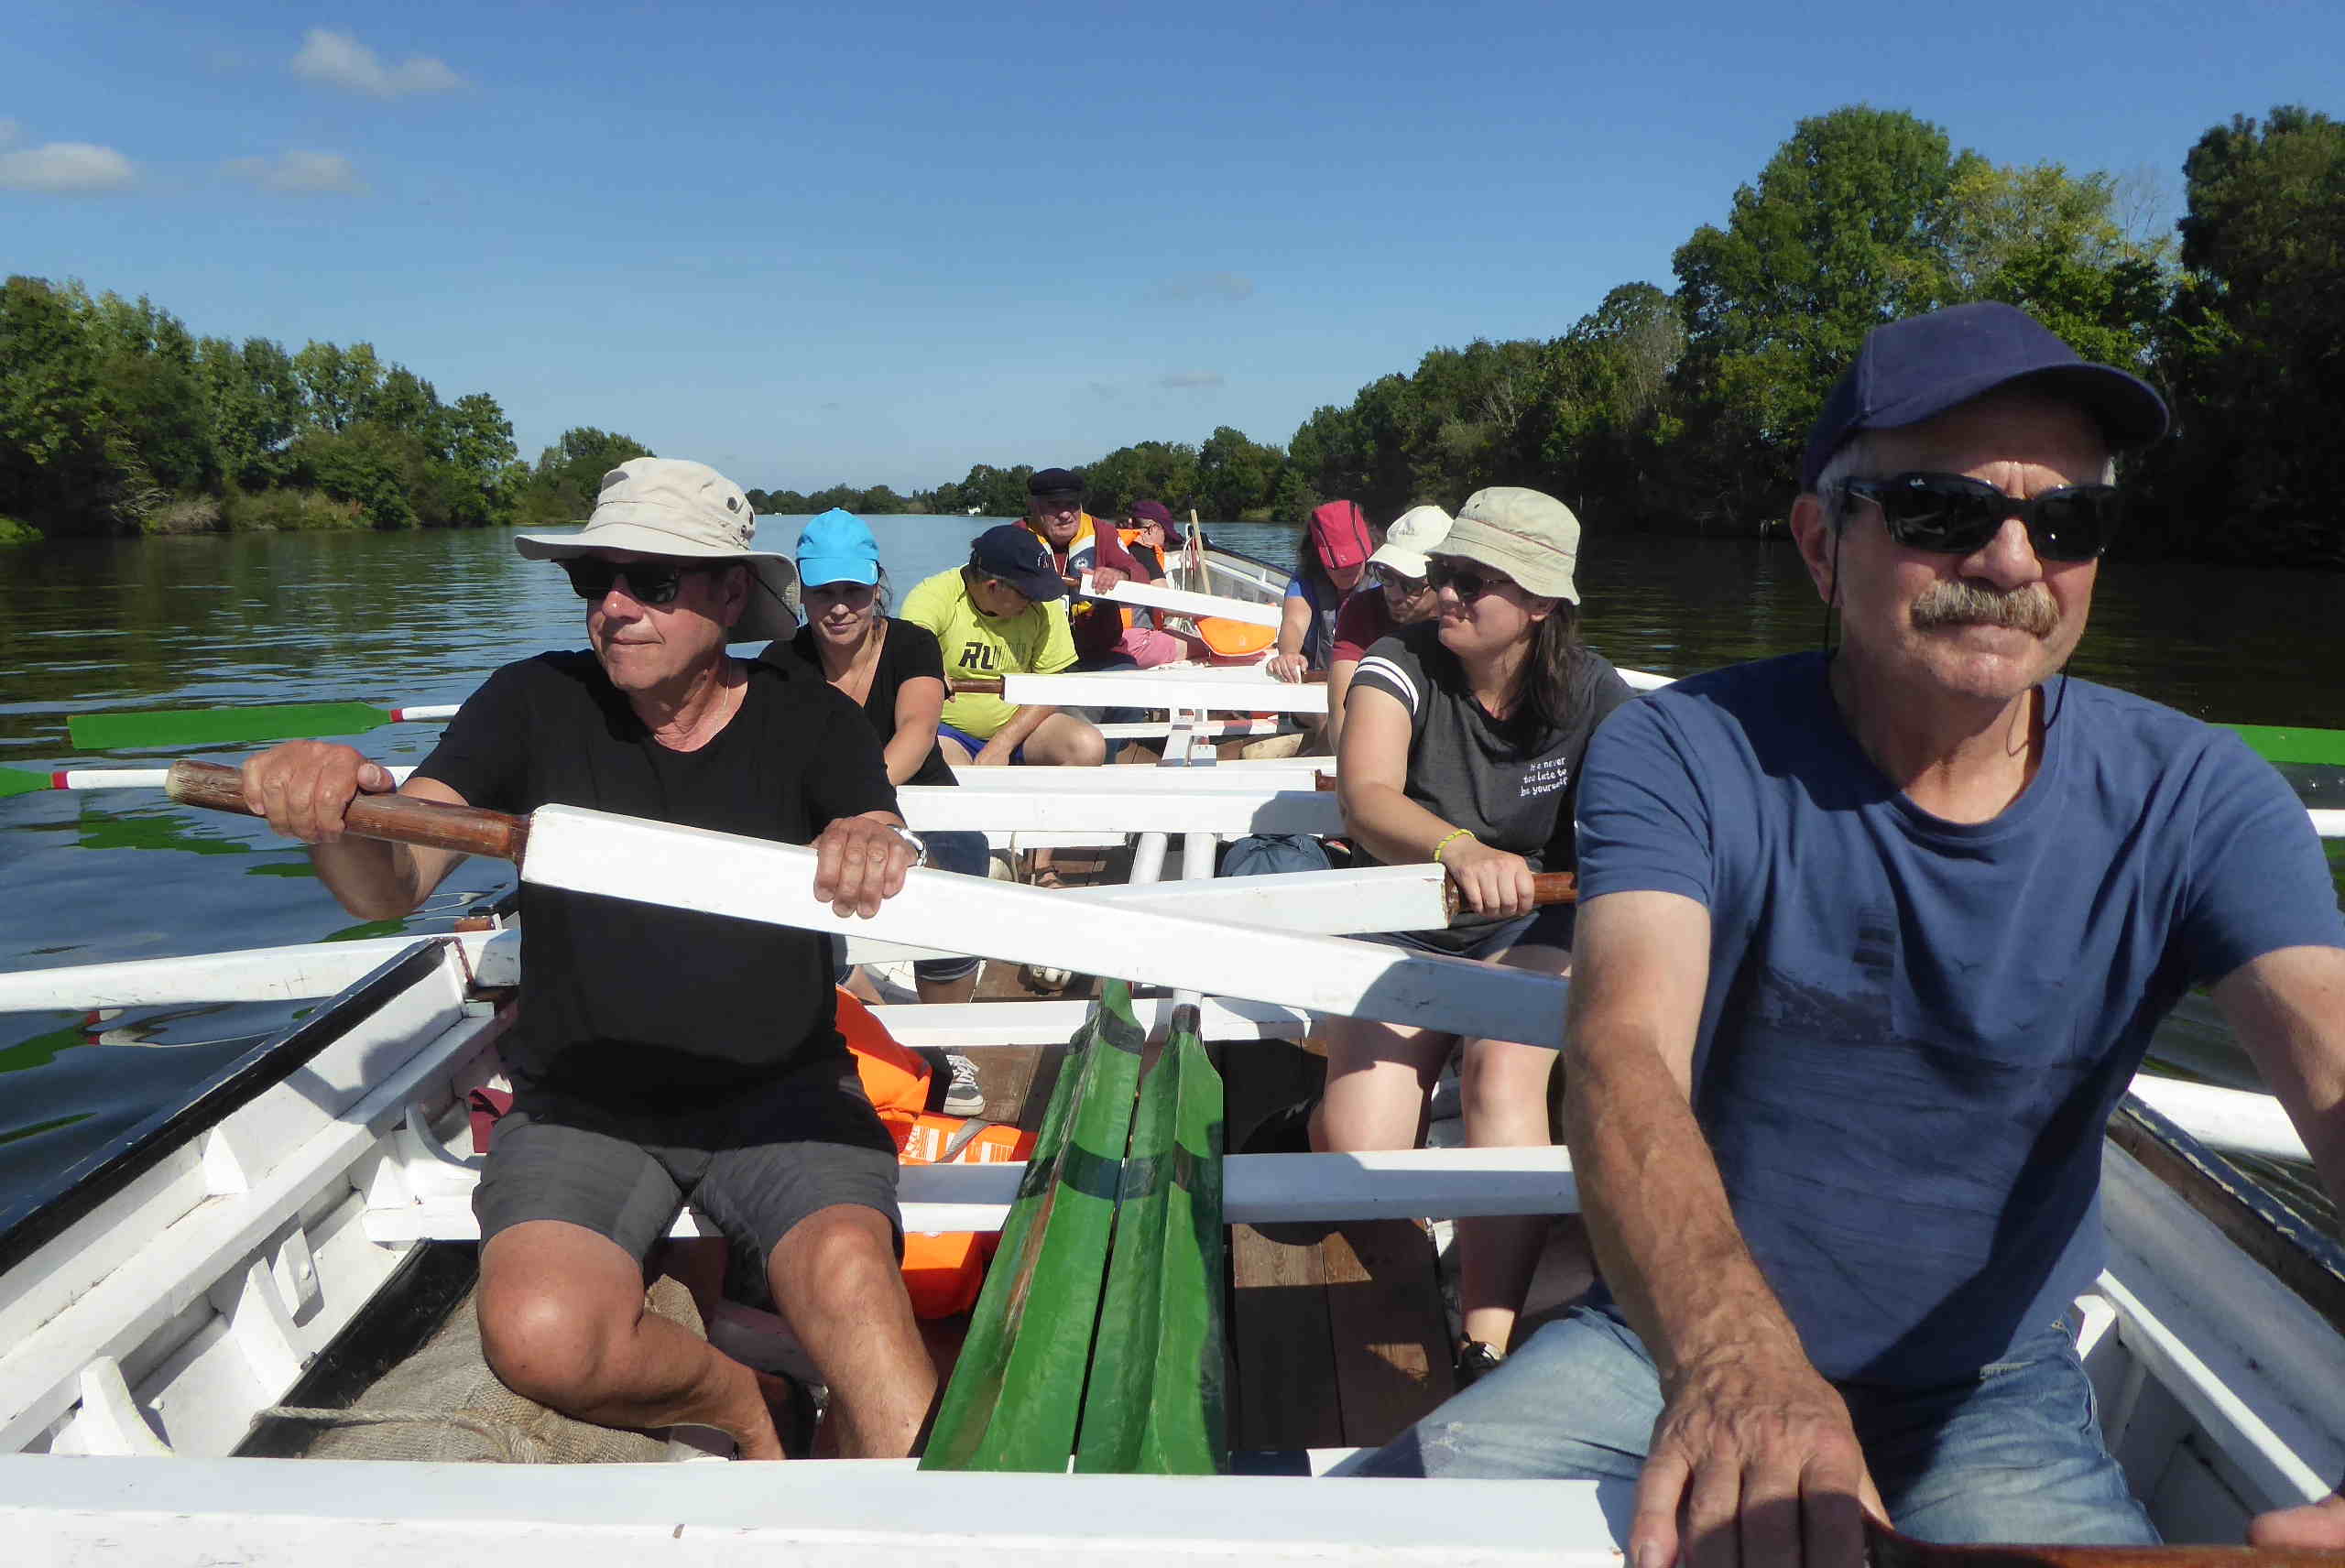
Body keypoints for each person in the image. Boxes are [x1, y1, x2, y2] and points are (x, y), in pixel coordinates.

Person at [1361, 303, 2345, 1557]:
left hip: (1988, 1392)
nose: (2010, 560)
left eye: (2068, 522)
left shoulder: (2200, 798)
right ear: (1823, 545)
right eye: (1943, 511)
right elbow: (1623, 1055)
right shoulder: (1683, 751)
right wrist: (1731, 1359)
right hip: (1666, 1347)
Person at [236, 458, 939, 1462]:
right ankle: (752, 1402)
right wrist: (332, 810)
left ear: (730, 592)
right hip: (584, 1096)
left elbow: (871, 817)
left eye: (651, 582)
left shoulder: (808, 715)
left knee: (885, 1370)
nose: (613, 607)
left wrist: (871, 838)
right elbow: (396, 877)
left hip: (782, 1087)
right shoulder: (533, 701)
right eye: (593, 579)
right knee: (542, 1339)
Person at [1262, 487, 1633, 1379]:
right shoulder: (1399, 660)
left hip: (1532, 921)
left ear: (1540, 605)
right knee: (1362, 1147)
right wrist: (1456, 847)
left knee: (1503, 1070)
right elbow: (1367, 797)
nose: (1448, 594)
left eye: (1477, 580)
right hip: (1406, 917)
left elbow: (1625, 823)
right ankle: (1318, 1120)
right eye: (1447, 574)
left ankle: (1484, 1341)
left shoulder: (1595, 693)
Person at [769, 510, 993, 1100]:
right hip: (825, 814)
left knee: (961, 867)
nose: (839, 607)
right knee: (805, 890)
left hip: (921, 802)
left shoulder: (914, 643)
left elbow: (917, 733)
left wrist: (860, 808)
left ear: (877, 586)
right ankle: (866, 1029)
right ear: (802, 590)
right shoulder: (778, 664)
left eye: (853, 591)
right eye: (824, 592)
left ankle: (944, 1044)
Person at [1324, 504, 1453, 754]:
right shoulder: (1361, 610)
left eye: (1409, 584)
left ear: (1442, 580)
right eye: (1385, 575)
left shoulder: (1466, 620)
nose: (1392, 594)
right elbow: (1341, 715)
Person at [1018, 466, 1151, 670]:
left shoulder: (1102, 532)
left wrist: (1119, 574)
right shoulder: (1015, 537)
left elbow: (1141, 577)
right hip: (1034, 657)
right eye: (1054, 505)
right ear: (1033, 506)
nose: (1065, 514)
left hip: (1103, 654)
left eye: (1071, 505)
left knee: (1133, 698)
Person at [1267, 498, 1372, 684]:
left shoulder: (1383, 580)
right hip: (1317, 680)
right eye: (1336, 565)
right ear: (1318, 557)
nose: (1346, 570)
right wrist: (1289, 655)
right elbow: (1294, 622)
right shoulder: (1305, 580)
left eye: (1355, 563)